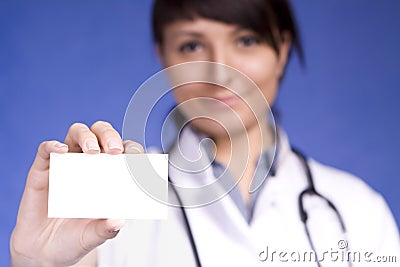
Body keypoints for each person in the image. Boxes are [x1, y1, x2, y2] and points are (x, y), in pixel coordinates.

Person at [10, 0, 400, 266]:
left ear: (281, 50)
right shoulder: (111, 197)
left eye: (246, 40)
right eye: (192, 44)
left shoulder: (356, 209)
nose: (219, 71)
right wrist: (37, 264)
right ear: (162, 55)